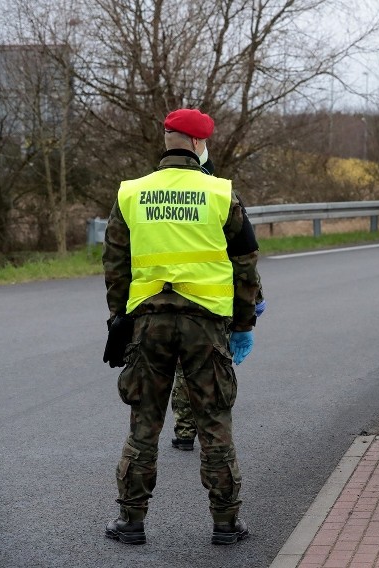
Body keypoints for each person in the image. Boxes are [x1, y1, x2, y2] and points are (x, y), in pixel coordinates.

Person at [102, 107, 263, 545]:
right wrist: (244, 323)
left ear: (168, 138)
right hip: (206, 324)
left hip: (148, 323)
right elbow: (245, 264)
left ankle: (131, 522)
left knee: (144, 422)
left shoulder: (131, 193)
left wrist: (119, 318)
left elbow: (115, 264)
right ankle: (226, 524)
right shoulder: (220, 193)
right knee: (214, 421)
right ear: (198, 144)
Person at [171, 298, 266, 451]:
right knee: (216, 371)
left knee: (184, 372)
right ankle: (214, 435)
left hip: (185, 312)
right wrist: (256, 302)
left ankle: (185, 432)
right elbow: (246, 276)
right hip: (220, 313)